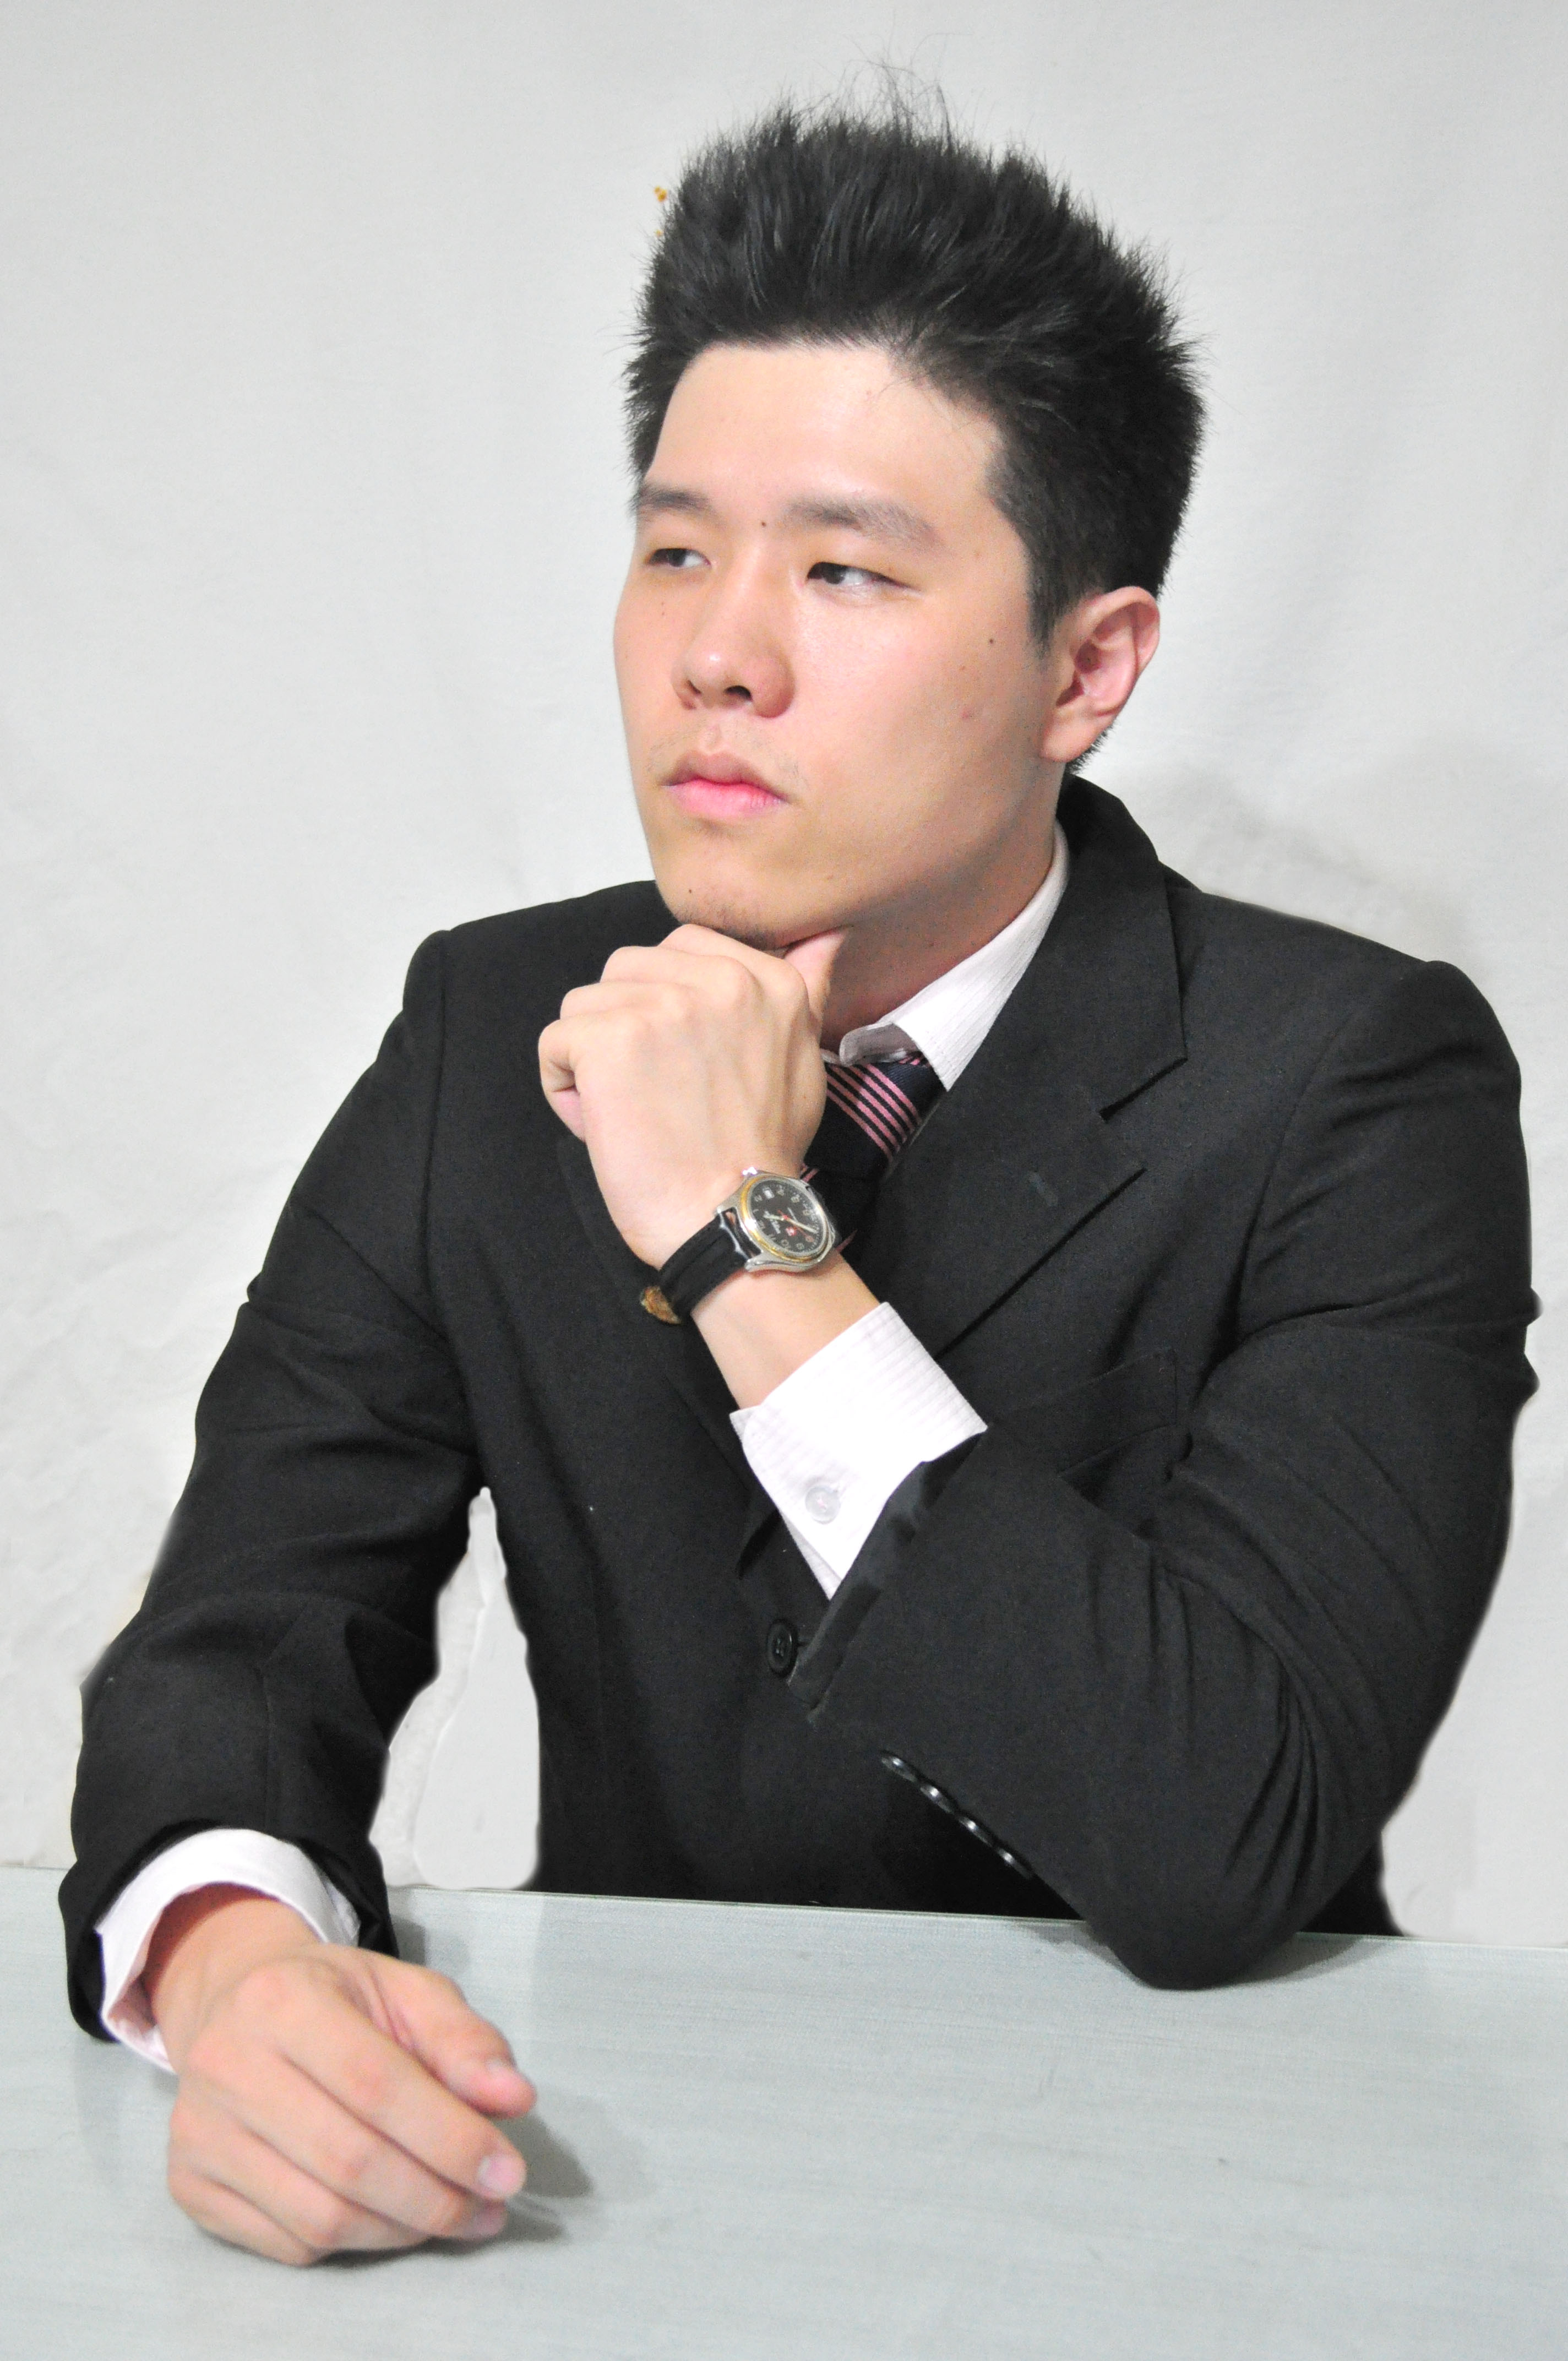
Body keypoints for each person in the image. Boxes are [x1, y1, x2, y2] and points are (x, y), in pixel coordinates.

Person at [60, 95, 1534, 2267]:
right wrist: (232, 1961)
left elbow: (1226, 1830)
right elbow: (243, 1638)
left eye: (843, 570)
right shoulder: (493, 1027)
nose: (717, 655)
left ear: (1087, 667)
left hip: (1193, 2215)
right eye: (676, 550)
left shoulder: (1350, 1083)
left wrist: (742, 1228)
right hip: (617, 2187)